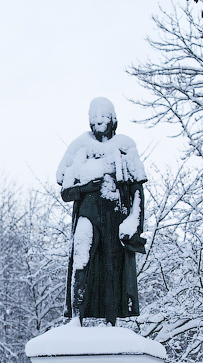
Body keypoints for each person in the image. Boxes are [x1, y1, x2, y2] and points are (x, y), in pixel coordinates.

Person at [56, 97, 147, 325]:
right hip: (87, 215)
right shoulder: (80, 146)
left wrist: (135, 222)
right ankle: (76, 318)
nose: (99, 121)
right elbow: (64, 188)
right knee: (81, 261)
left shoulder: (125, 146)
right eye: (95, 117)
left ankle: (111, 321)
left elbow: (137, 190)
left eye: (104, 116)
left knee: (112, 267)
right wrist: (89, 185)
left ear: (113, 119)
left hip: (114, 217)